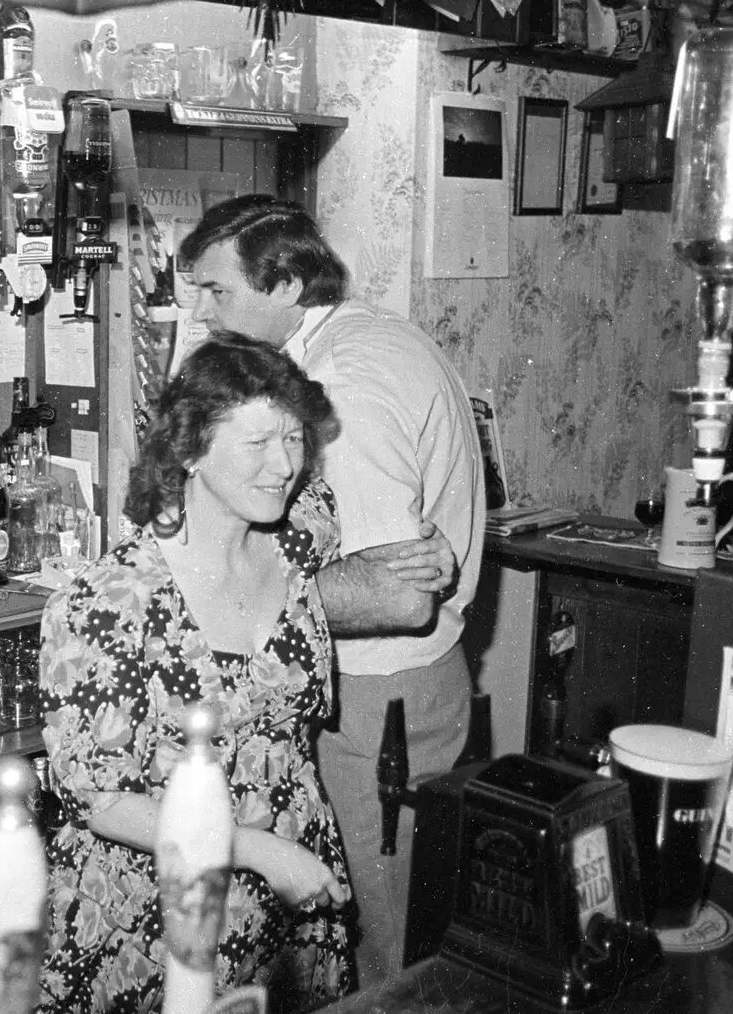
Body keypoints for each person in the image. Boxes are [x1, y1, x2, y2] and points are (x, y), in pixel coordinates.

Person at [39, 332, 444, 1014]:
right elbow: (99, 801)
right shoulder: (108, 602)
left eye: (293, 440)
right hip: (158, 909)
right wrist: (257, 850)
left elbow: (384, 546)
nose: (283, 465)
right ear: (191, 450)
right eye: (257, 445)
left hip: (288, 893)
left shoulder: (297, 536)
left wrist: (427, 557)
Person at [180, 195, 485, 989]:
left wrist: (239, 593)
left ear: (284, 284)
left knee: (378, 945)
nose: (204, 315)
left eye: (218, 292)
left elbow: (397, 595)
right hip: (394, 691)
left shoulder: (342, 382)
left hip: (379, 698)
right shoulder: (369, 336)